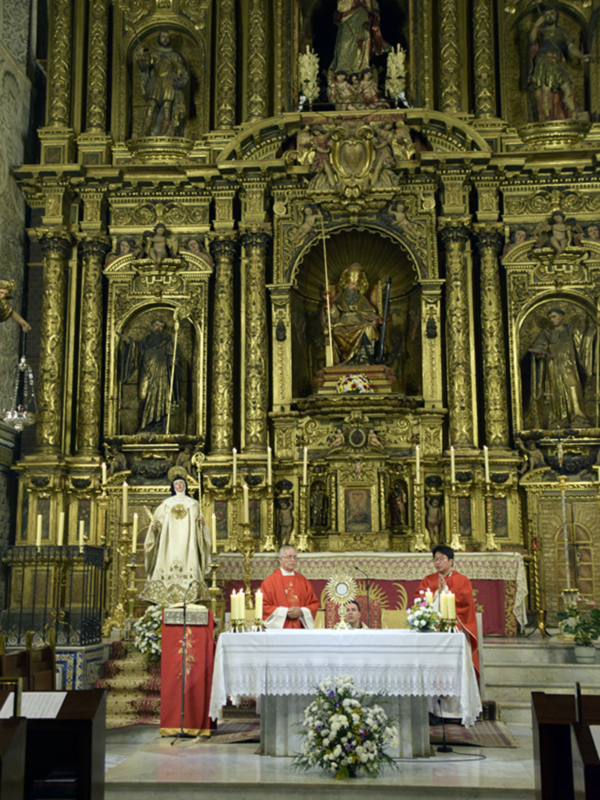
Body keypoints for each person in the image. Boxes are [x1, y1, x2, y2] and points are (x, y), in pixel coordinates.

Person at [140, 471, 211, 605]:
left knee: (189, 559)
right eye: (176, 484)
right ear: (173, 487)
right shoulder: (166, 504)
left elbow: (200, 524)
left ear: (185, 486)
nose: (179, 486)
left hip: (188, 543)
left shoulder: (193, 504)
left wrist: (201, 525)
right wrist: (155, 529)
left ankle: (191, 594)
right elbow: (157, 522)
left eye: (181, 484)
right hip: (169, 544)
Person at [418, 545, 479, 679]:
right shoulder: (428, 580)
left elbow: (466, 600)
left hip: (456, 625)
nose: (437, 562)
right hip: (433, 625)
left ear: (451, 561)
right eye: (435, 559)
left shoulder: (462, 580)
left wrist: (445, 591)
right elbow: (420, 599)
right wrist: (437, 594)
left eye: (441, 559)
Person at [528, 307, 595, 428]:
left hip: (569, 366)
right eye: (550, 318)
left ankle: (578, 417)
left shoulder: (571, 330)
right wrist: (540, 353)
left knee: (573, 388)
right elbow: (538, 347)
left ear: (562, 316)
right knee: (556, 391)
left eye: (554, 317)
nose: (552, 320)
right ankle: (559, 419)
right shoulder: (546, 333)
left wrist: (593, 330)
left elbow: (584, 344)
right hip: (553, 366)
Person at [528, 7, 590, 122]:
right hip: (544, 63)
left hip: (558, 64)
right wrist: (536, 25)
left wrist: (581, 56)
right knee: (545, 92)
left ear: (557, 16)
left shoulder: (562, 32)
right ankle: (547, 118)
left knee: (567, 89)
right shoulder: (541, 31)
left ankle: (574, 113)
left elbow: (571, 46)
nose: (549, 16)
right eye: (546, 14)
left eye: (552, 13)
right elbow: (531, 40)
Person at [120, 318, 181, 433]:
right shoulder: (145, 341)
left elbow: (174, 355)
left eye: (161, 326)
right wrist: (129, 341)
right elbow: (136, 350)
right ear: (151, 326)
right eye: (157, 325)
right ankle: (144, 425)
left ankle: (160, 426)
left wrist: (174, 360)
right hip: (146, 373)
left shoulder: (167, 341)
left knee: (161, 398)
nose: (159, 328)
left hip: (161, 375)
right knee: (143, 397)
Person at [136, 30, 189, 137]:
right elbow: (144, 67)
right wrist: (141, 55)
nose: (165, 39)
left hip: (169, 83)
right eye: (163, 37)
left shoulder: (175, 56)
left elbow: (181, 70)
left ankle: (163, 133)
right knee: (151, 106)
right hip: (156, 82)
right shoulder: (154, 54)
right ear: (159, 39)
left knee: (167, 108)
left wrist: (183, 79)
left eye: (167, 37)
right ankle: (144, 131)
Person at [328, 264, 382, 365]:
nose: (354, 288)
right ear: (346, 284)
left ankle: (364, 358)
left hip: (360, 324)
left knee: (369, 328)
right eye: (352, 284)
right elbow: (335, 316)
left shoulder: (361, 298)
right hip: (344, 325)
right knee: (335, 332)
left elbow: (369, 312)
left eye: (356, 285)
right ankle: (345, 358)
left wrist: (377, 320)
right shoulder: (339, 298)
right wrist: (330, 306)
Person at [260, 545, 319, 629]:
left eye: (295, 557)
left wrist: (302, 611)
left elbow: (313, 603)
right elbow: (263, 606)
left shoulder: (303, 581)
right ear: (281, 559)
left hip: (300, 629)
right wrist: (284, 612)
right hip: (279, 632)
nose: (292, 560)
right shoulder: (269, 582)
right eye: (289, 557)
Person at [330, 0, 389, 76]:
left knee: (362, 43)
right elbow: (340, 7)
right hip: (348, 19)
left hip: (363, 20)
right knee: (345, 43)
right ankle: (342, 69)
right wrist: (353, 3)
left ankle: (362, 68)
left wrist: (366, 4)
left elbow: (374, 7)